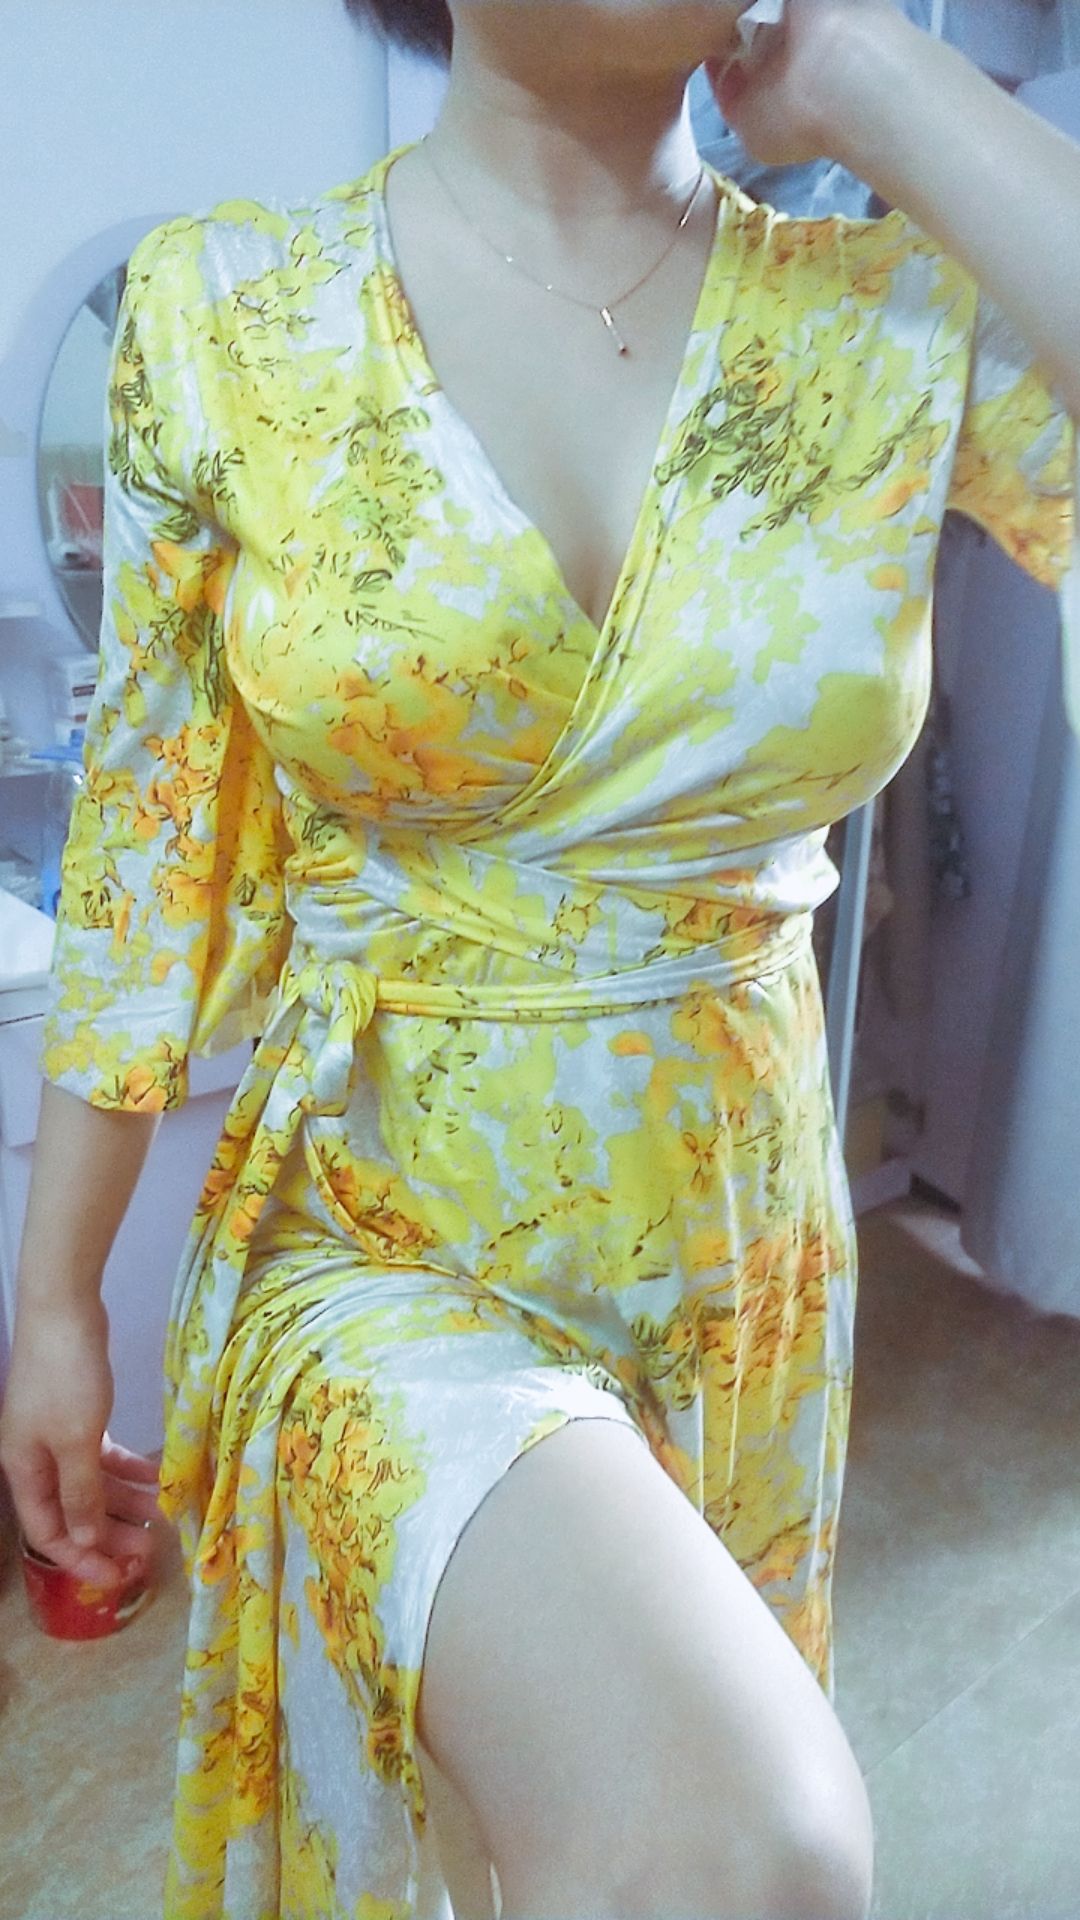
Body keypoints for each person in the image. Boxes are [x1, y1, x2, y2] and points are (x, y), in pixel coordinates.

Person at [2, 2, 1076, 1917]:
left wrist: (874, 75)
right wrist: (61, 1299)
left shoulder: (889, 316)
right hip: (382, 1229)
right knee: (740, 1847)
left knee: (568, 1845)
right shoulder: (227, 317)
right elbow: (148, 863)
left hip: (740, 1250)